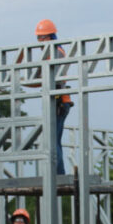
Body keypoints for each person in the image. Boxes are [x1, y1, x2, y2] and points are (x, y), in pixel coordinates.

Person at [34, 19, 73, 175]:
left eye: (41, 38)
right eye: (38, 38)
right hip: (59, 101)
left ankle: (58, 174)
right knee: (54, 139)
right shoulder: (54, 51)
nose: (39, 41)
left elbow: (49, 77)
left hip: (58, 101)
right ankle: (58, 172)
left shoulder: (55, 52)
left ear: (49, 36)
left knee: (52, 139)